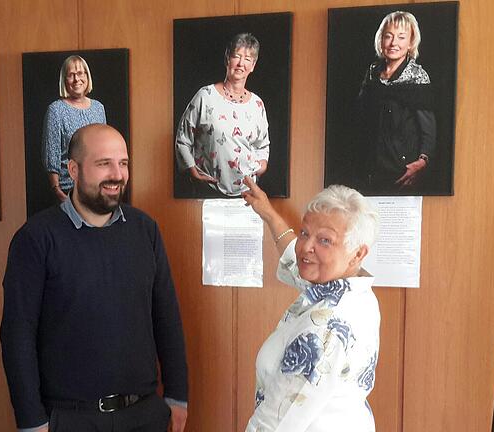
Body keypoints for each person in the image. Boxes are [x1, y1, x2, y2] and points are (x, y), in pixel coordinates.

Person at [2, 124, 188, 432]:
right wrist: (31, 420)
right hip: (71, 418)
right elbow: (17, 335)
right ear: (73, 170)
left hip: (144, 415)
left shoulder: (145, 231)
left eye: (123, 163)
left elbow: (166, 317)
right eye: (104, 164)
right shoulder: (35, 239)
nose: (117, 174)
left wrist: (177, 395)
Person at [241, 177, 380, 432]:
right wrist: (269, 214)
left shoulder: (325, 329)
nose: (306, 247)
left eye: (325, 241)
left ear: (358, 253)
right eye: (305, 233)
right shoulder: (353, 290)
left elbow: (275, 422)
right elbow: (298, 262)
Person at [175, 32, 270, 197]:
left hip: (248, 193)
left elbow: (262, 145)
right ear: (227, 59)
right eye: (236, 56)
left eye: (247, 59)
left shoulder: (257, 104)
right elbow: (183, 139)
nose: (241, 63)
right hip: (210, 190)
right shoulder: (205, 96)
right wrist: (193, 171)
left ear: (253, 65)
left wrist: (262, 165)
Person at [357, 11, 436, 193]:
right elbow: (361, 118)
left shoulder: (417, 76)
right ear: (381, 40)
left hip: (402, 170)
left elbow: (429, 129)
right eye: (388, 36)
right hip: (370, 167)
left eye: (401, 37)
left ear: (410, 43)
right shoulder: (372, 72)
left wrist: (422, 162)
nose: (394, 43)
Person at [42, 55, 106, 201]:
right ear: (64, 80)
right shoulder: (56, 110)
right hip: (68, 190)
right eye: (71, 75)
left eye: (80, 73)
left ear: (87, 76)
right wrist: (57, 190)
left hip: (97, 187)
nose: (77, 79)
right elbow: (51, 153)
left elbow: (104, 149)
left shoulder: (98, 108)